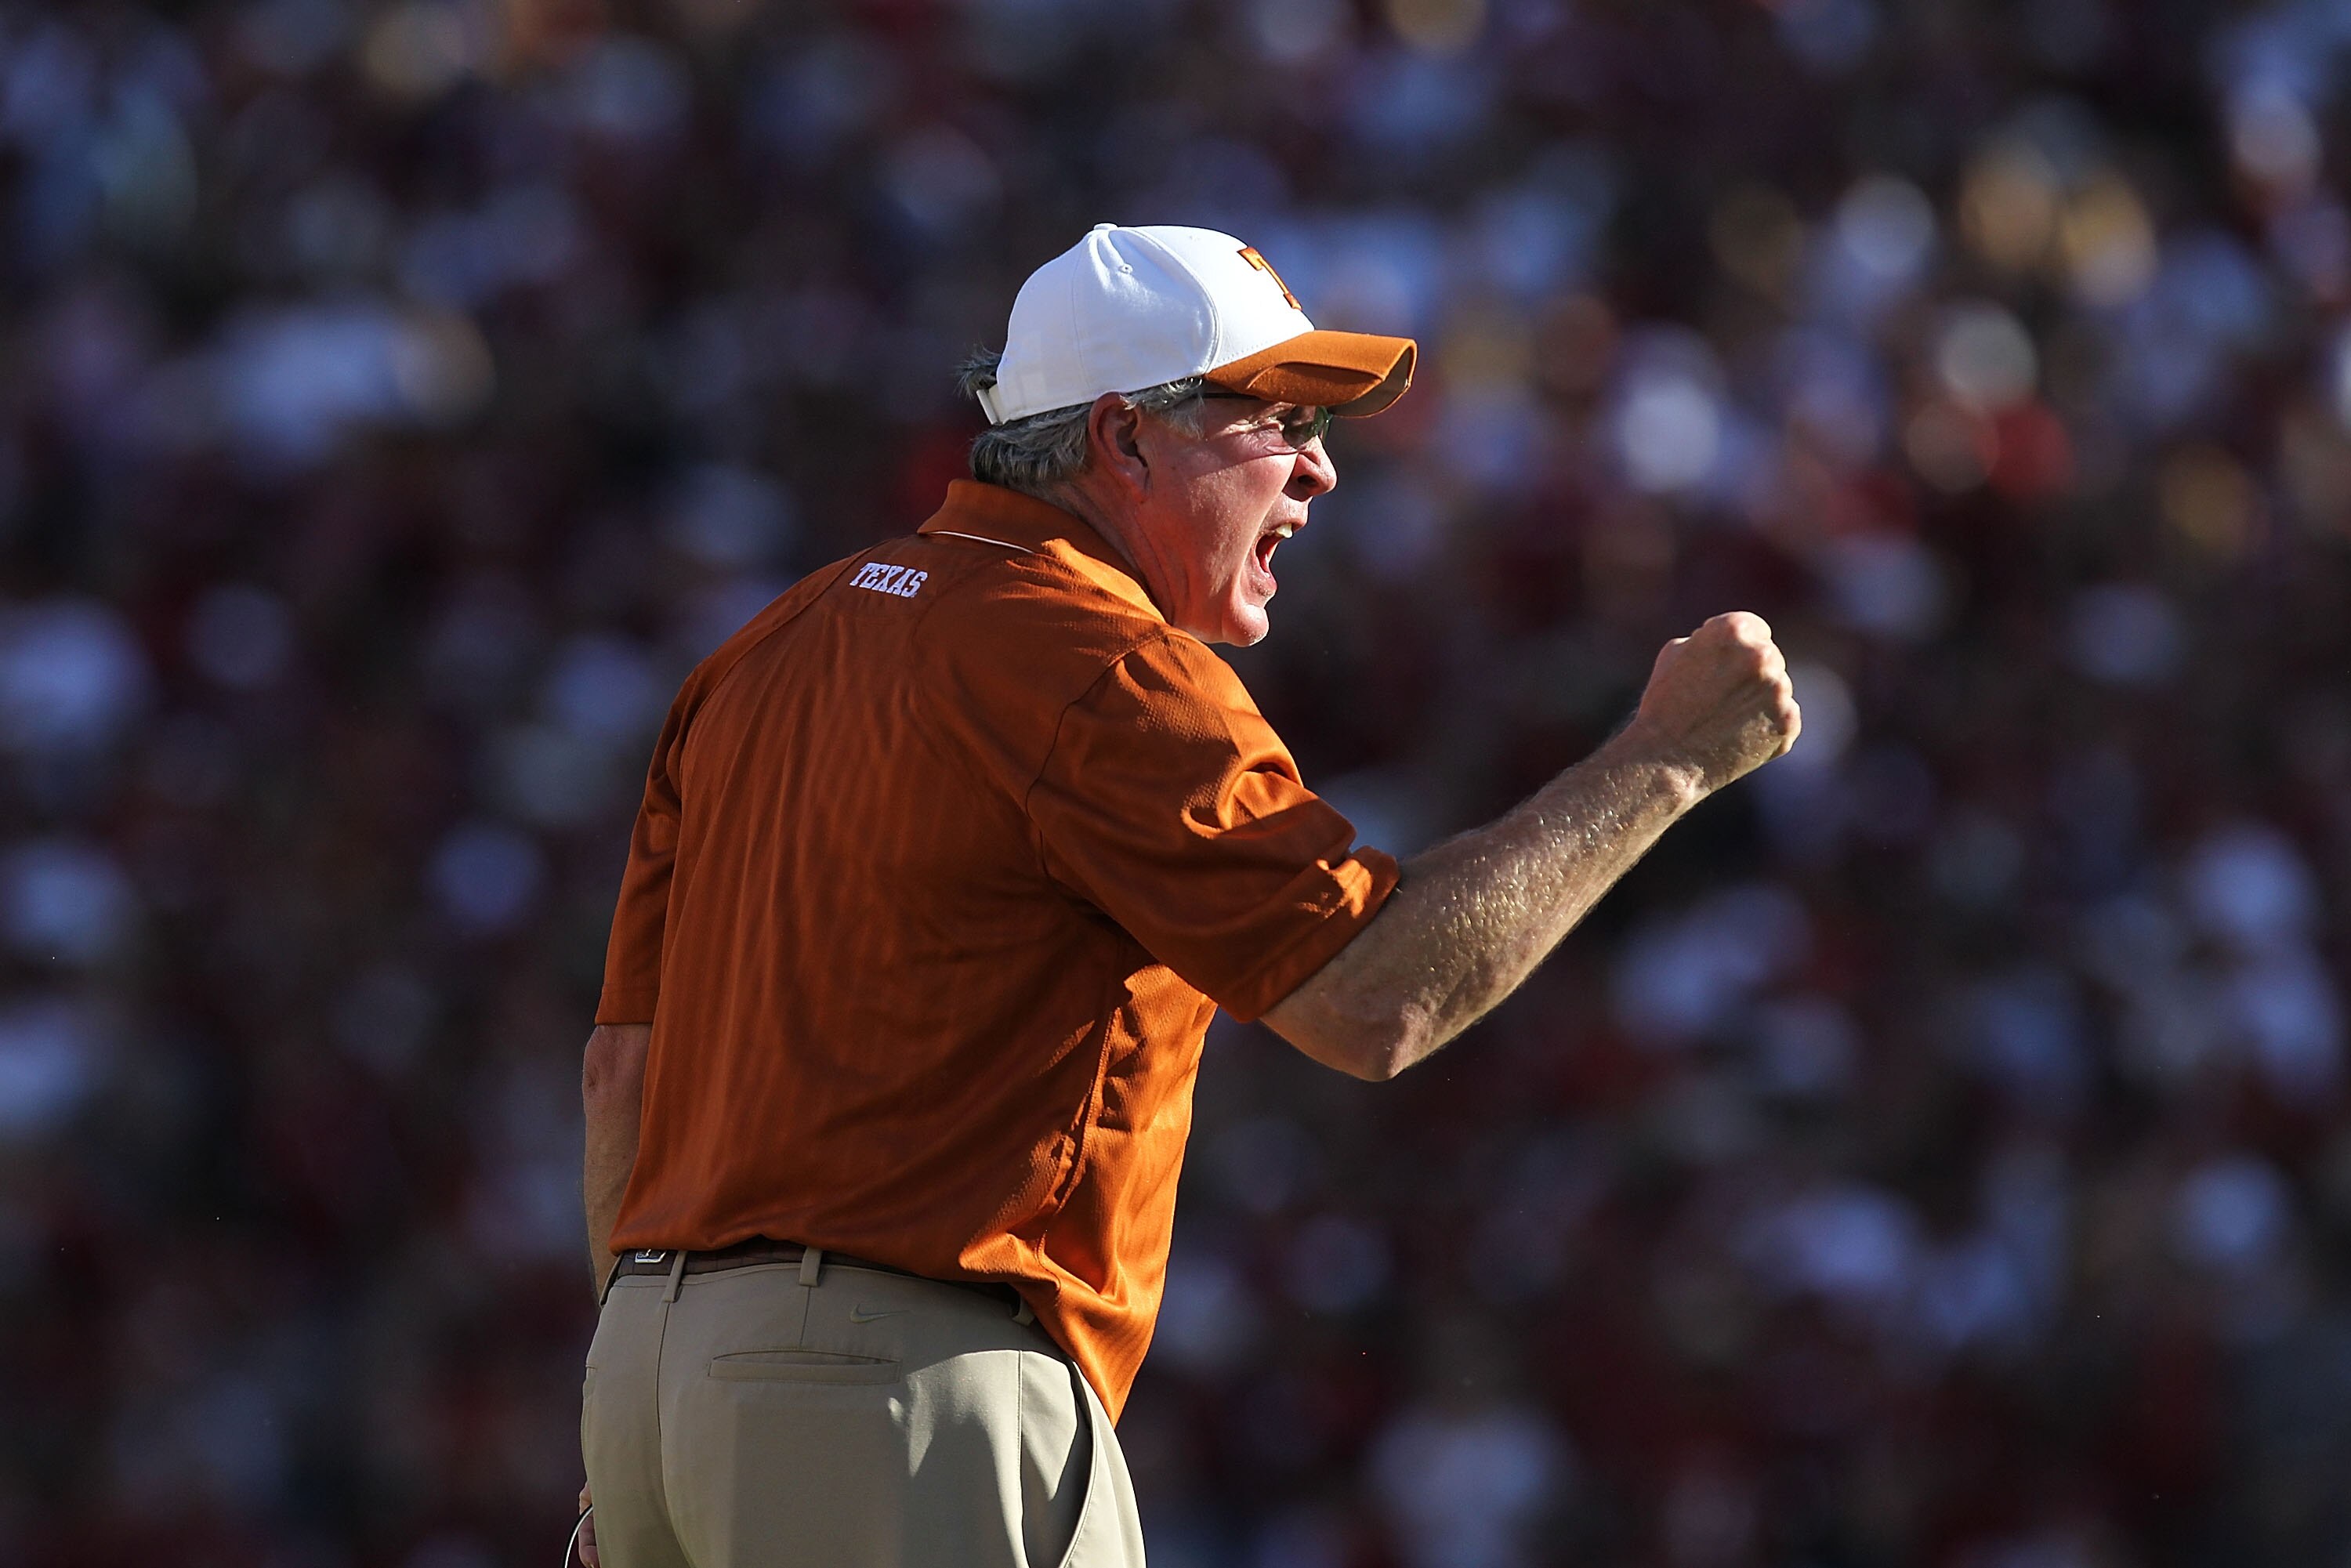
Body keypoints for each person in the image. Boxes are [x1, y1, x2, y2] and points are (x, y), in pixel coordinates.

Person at [575, 223, 1799, 1567]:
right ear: (1123, 439)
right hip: (902, 1391)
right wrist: (1664, 761)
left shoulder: (765, 649)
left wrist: (674, 1393)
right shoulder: (1095, 656)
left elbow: (620, 1084)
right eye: (1275, 418)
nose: (1321, 469)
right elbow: (1374, 997)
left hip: (652, 1377)